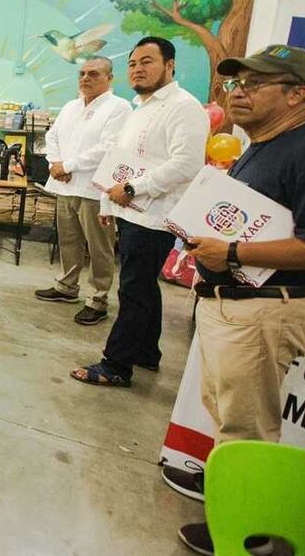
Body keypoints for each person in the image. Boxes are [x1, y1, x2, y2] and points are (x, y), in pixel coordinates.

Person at [158, 46, 305, 554]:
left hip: (265, 309)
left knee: (248, 426)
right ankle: (234, 499)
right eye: (234, 83)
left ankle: (247, 534)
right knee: (229, 415)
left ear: (297, 94)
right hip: (231, 306)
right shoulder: (262, 146)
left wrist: (235, 251)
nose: (237, 91)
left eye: (254, 83)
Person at [71, 37, 209, 387]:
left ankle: (116, 365)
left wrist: (133, 189)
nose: (138, 69)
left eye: (148, 61)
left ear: (170, 65)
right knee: (144, 286)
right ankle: (147, 352)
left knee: (133, 289)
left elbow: (187, 164)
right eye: (133, 63)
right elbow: (119, 160)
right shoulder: (141, 109)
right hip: (131, 212)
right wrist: (108, 202)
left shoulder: (184, 106)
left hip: (156, 215)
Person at [35, 56, 132, 326]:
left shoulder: (118, 108)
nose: (85, 78)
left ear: (109, 78)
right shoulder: (70, 106)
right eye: (82, 73)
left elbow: (108, 148)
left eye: (94, 74)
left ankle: (98, 299)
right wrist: (55, 164)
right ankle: (67, 287)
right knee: (68, 240)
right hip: (64, 184)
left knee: (99, 247)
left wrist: (68, 164)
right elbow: (52, 137)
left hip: (94, 189)